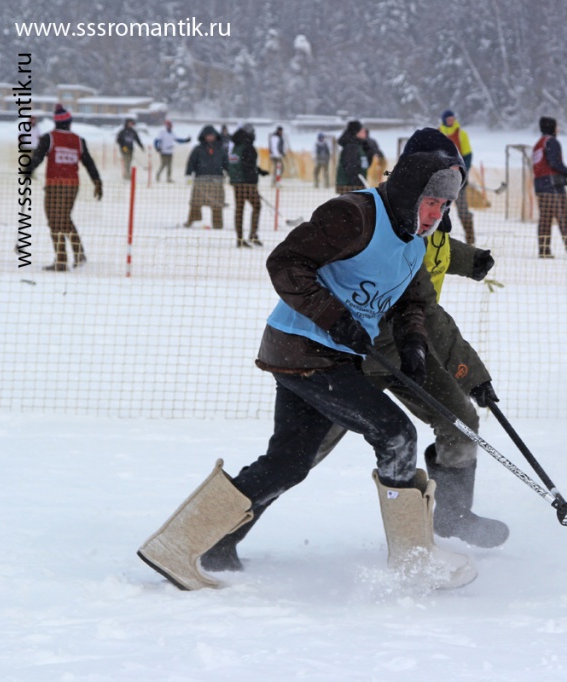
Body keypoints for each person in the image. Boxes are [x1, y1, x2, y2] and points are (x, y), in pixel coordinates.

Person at [138, 129, 475, 592]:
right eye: (431, 202)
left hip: (333, 357)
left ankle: (194, 545)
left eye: (444, 206)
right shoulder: (355, 214)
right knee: (396, 434)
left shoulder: (415, 242)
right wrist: (335, 317)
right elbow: (286, 262)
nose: (436, 215)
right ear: (410, 191)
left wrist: (413, 343)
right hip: (304, 348)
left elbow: (411, 302)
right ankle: (413, 559)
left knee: (289, 462)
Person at [26, 104, 103, 271]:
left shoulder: (49, 138)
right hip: (72, 186)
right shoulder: (78, 140)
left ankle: (62, 260)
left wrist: (28, 170)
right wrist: (97, 181)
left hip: (54, 185)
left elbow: (37, 157)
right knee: (64, 219)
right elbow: (89, 162)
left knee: (55, 221)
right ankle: (77, 254)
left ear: (56, 122)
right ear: (69, 122)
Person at [532, 116, 567, 259]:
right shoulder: (551, 142)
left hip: (540, 186)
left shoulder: (538, 144)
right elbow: (554, 162)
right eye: (556, 126)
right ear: (551, 127)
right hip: (553, 187)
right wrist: (565, 172)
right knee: (563, 217)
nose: (558, 129)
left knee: (544, 220)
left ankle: (544, 250)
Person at [227, 124, 269, 248]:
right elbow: (248, 167)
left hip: (236, 182)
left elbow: (241, 164)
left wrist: (259, 171)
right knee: (257, 206)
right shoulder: (248, 147)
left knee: (239, 210)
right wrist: (254, 179)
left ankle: (239, 239)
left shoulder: (235, 147)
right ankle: (253, 235)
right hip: (247, 183)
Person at [439, 109, 475, 245]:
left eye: (452, 118)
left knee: (463, 211)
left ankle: (470, 240)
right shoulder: (438, 133)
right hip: (441, 181)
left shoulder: (461, 134)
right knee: (439, 210)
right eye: (449, 119)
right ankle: (438, 240)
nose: (451, 121)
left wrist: (462, 171)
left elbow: (468, 156)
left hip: (459, 180)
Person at [184, 125, 229, 229]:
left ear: (215, 136)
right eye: (208, 135)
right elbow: (191, 163)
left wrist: (231, 175)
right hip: (200, 181)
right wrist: (188, 175)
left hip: (217, 181)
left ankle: (218, 225)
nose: (210, 137)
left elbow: (227, 164)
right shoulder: (197, 149)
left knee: (217, 204)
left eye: (212, 135)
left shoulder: (221, 150)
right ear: (203, 136)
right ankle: (193, 221)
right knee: (195, 203)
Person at [336, 120, 370, 194]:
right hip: (350, 188)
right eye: (361, 130)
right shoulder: (351, 147)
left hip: (355, 187)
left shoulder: (359, 145)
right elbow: (351, 169)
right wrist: (358, 186)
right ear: (356, 132)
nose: (364, 131)